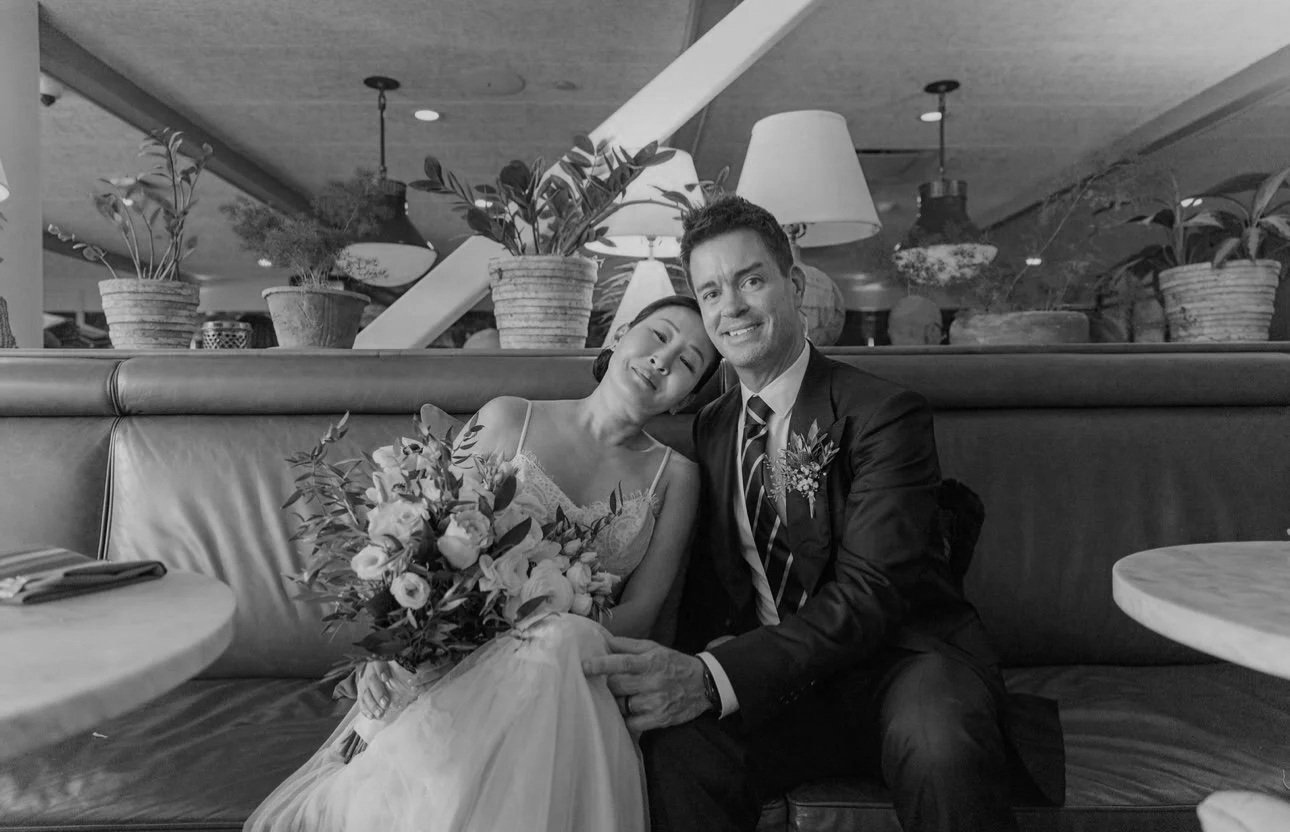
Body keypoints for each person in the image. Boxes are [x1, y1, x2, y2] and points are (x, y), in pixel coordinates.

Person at [583, 195, 1064, 832]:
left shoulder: (883, 414)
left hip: (899, 664)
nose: (731, 307)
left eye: (751, 280)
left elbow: (873, 595)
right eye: (711, 292)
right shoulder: (712, 428)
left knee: (938, 740)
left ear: (795, 285)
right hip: (779, 689)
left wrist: (712, 674)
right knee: (677, 749)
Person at [244, 295, 721, 832]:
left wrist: (543, 626)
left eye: (688, 362)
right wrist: (394, 648)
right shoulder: (508, 417)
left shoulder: (677, 477)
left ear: (689, 399)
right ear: (620, 335)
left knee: (565, 640)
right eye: (659, 336)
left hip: (579, 673)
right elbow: (422, 545)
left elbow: (646, 610)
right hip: (457, 658)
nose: (664, 359)